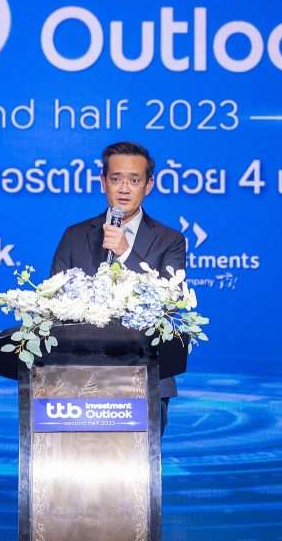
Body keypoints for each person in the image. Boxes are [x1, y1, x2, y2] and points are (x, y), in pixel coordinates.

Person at [50, 141, 187, 433]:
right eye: (116, 179)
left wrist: (125, 253)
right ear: (103, 182)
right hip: (80, 379)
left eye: (134, 180)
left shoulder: (170, 241)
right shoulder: (74, 236)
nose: (124, 188)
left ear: (148, 185)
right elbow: (53, 303)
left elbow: (169, 302)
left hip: (146, 376)